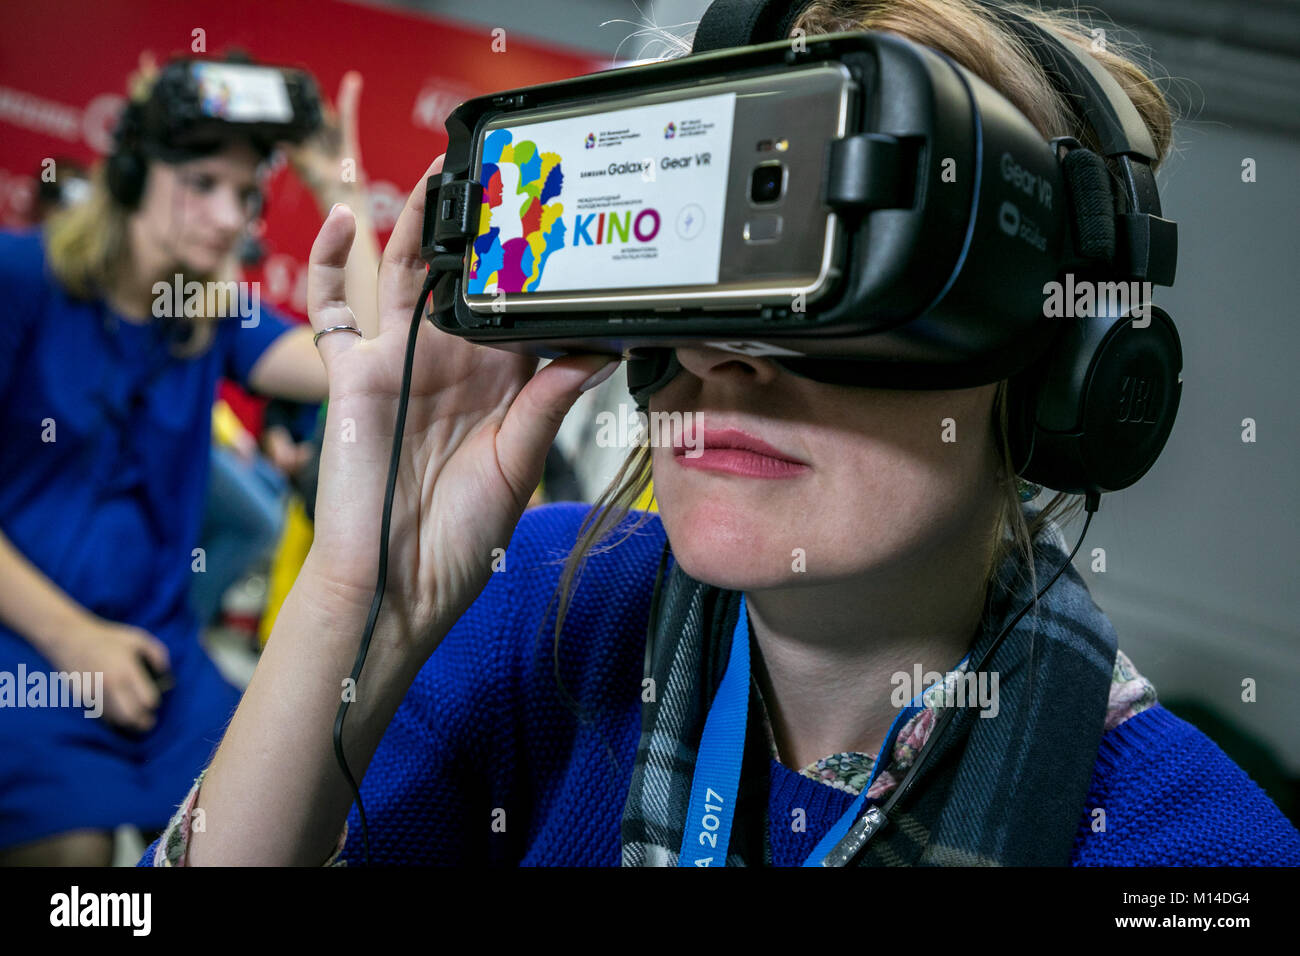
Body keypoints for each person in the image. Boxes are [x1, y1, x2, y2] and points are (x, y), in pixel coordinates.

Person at [141, 1, 1300, 867]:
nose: (721, 351)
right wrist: (369, 598)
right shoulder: (540, 602)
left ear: (1059, 370)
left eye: (838, 272)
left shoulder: (1193, 851)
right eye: (700, 269)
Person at [0, 54, 378, 865]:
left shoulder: (216, 313)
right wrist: (75, 642)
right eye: (202, 183)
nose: (229, 217)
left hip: (158, 657)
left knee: (296, 816)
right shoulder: (21, 278)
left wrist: (338, 188)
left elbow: (373, 366)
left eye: (245, 196)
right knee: (74, 855)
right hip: (21, 642)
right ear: (135, 176)